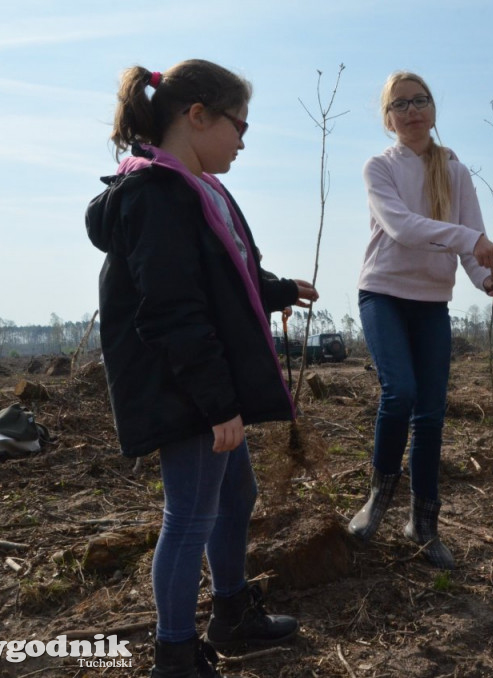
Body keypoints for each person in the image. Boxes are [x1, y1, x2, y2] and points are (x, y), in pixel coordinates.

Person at [86, 60, 316, 677]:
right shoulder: (156, 197)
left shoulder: (194, 187)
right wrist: (219, 403)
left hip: (199, 382)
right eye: (240, 125)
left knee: (236, 493)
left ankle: (232, 609)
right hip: (183, 388)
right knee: (189, 514)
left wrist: (274, 289)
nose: (244, 139)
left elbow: (219, 278)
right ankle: (175, 652)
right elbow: (173, 312)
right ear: (197, 116)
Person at [347, 71, 493, 570]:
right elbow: (402, 228)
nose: (413, 111)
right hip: (383, 294)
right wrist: (469, 242)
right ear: (387, 117)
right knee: (401, 392)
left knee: (432, 410)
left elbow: (472, 238)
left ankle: (423, 521)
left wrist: (485, 278)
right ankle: (378, 498)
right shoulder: (379, 167)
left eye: (421, 101)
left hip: (431, 302)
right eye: (401, 104)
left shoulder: (455, 171)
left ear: (434, 109)